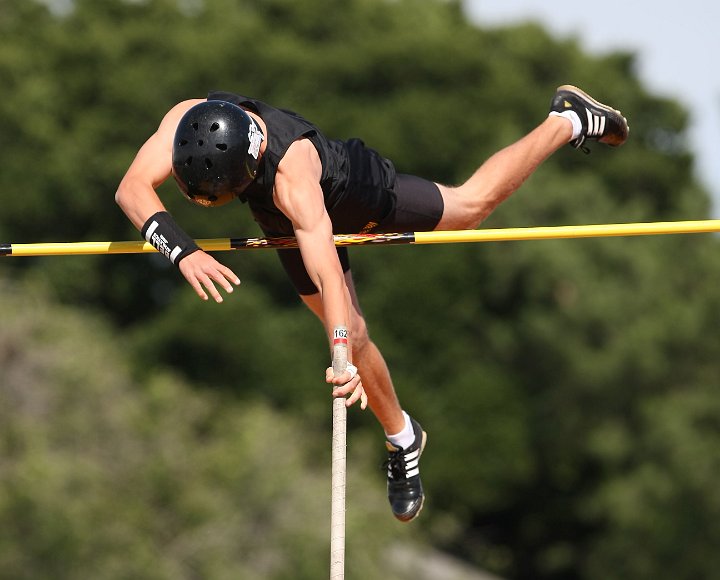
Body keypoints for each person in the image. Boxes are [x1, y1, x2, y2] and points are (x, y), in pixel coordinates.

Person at [115, 85, 629, 523]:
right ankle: (404, 437)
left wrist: (338, 354)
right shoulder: (188, 121)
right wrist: (182, 252)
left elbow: (326, 270)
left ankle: (566, 121)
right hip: (281, 223)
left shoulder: (294, 171)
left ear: (247, 167)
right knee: (358, 341)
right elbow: (132, 188)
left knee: (470, 207)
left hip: (349, 193)